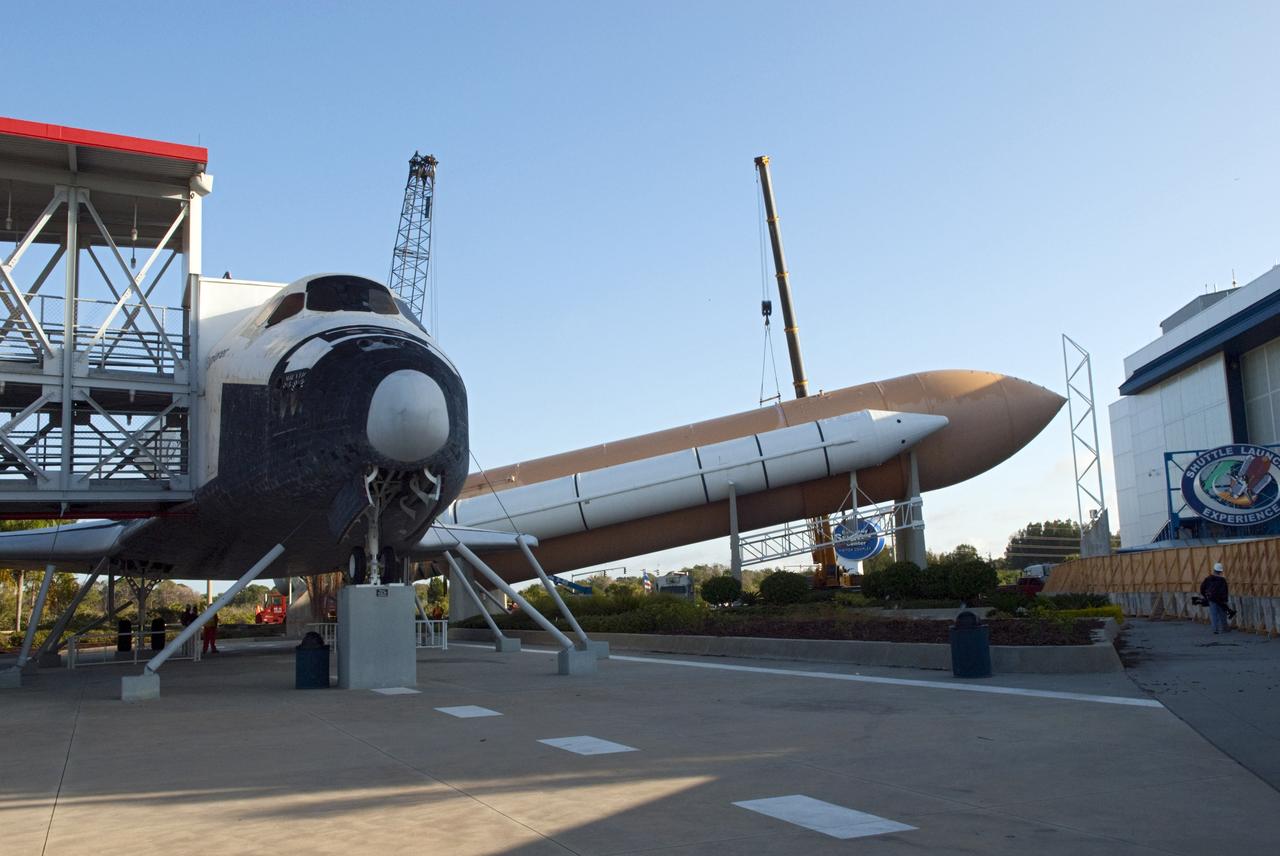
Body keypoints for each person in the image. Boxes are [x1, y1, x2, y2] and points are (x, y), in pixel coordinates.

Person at [1199, 562, 1231, 635]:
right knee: (1222, 613)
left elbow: (1202, 588)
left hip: (1211, 599)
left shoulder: (1208, 579)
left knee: (1214, 614)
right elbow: (1225, 591)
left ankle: (1215, 629)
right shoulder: (1222, 580)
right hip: (1220, 599)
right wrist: (1225, 600)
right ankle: (1224, 628)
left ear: (1214, 570)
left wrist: (1205, 595)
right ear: (1220, 571)